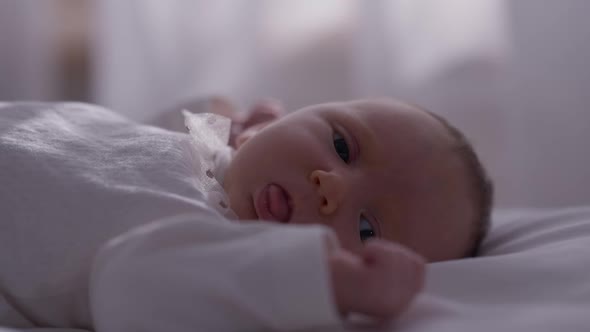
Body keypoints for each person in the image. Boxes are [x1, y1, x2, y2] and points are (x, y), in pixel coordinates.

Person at [0, 98, 492, 331]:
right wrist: (236, 124)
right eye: (341, 144)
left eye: (367, 229)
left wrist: (321, 280)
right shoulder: (208, 146)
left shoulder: (217, 254)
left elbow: (126, 284)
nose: (332, 189)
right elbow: (123, 143)